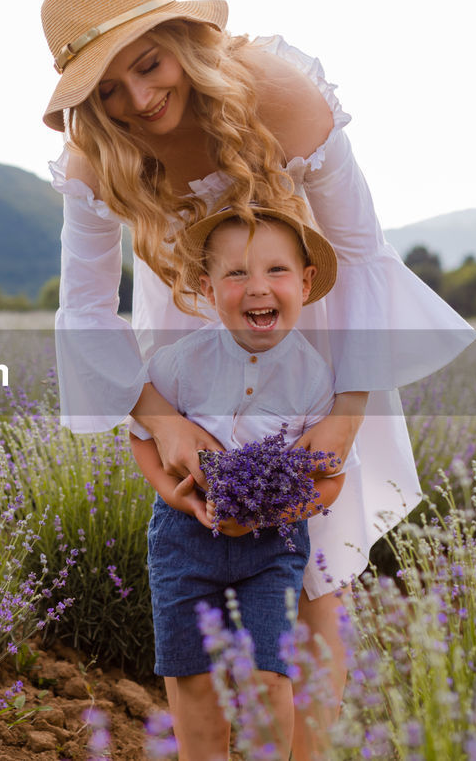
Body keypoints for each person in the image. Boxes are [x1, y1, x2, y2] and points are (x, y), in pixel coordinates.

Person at [40, 0, 476, 757]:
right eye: (108, 90)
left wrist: (345, 414)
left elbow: (364, 255)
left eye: (148, 66)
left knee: (314, 575)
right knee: (195, 533)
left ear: (181, 40)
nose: (138, 100)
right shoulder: (94, 154)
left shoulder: (279, 94)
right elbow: (84, 310)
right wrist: (163, 422)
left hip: (305, 322)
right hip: (182, 326)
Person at [131, 204, 349, 757]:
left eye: (276, 271)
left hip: (271, 548)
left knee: (268, 677)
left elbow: (331, 479)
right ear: (207, 288)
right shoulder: (181, 362)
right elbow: (140, 433)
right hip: (184, 539)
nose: (258, 288)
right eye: (236, 274)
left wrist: (274, 513)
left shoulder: (315, 379)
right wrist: (166, 491)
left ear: (305, 282)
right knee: (195, 679)